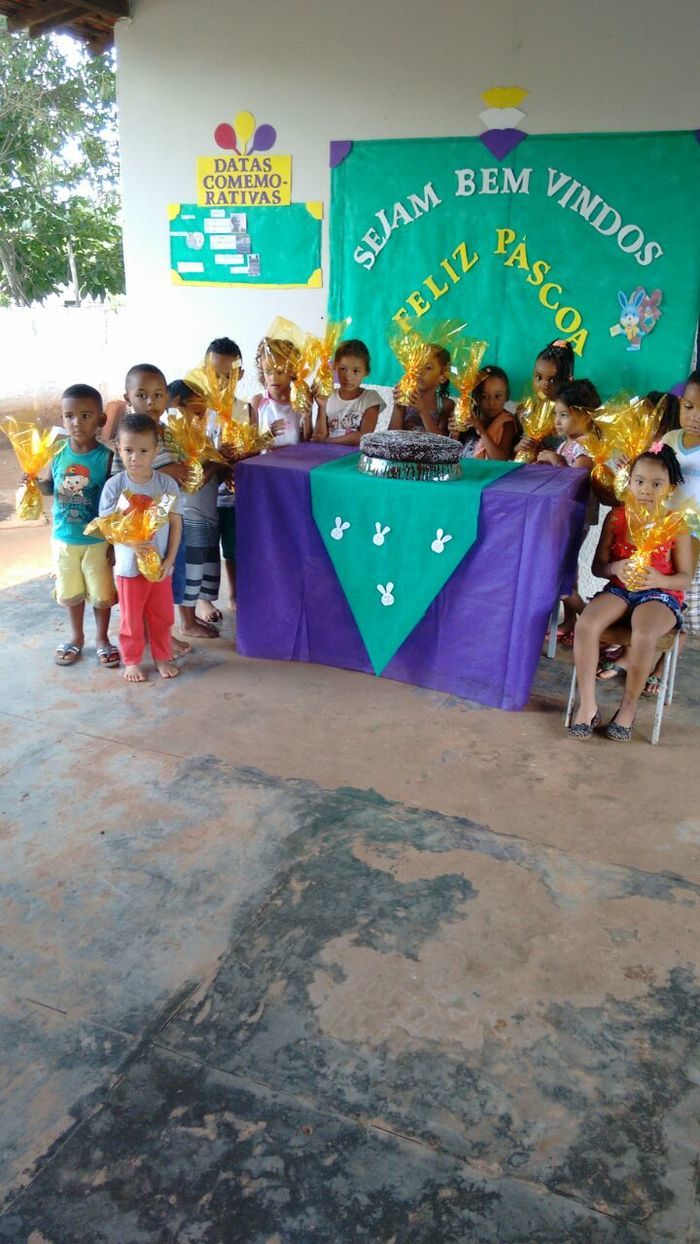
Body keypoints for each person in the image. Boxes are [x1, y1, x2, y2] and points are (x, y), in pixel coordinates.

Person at [568, 445, 691, 740]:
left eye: (656, 484)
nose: (646, 489)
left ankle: (628, 707)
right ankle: (587, 704)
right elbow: (599, 567)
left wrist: (659, 578)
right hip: (620, 589)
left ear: (670, 487)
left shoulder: (676, 524)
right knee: (586, 624)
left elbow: (684, 578)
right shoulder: (618, 518)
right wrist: (616, 568)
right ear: (629, 481)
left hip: (659, 594)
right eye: (639, 481)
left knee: (644, 633)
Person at [100, 414, 183, 683]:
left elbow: (176, 522)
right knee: (131, 619)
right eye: (128, 450)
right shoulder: (116, 486)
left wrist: (170, 558)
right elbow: (106, 526)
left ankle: (161, 656)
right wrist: (131, 542)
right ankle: (132, 660)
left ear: (155, 451)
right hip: (128, 569)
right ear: (118, 449)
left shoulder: (166, 484)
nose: (135, 457)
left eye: (143, 451)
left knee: (162, 616)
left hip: (160, 568)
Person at [42, 384, 118, 667]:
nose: (77, 422)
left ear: (101, 419)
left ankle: (102, 638)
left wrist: (112, 543)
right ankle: (76, 637)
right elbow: (47, 488)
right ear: (62, 419)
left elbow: (113, 505)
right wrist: (33, 476)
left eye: (86, 415)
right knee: (71, 592)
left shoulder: (108, 458)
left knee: (102, 595)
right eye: (69, 416)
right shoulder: (56, 453)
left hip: (97, 541)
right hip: (64, 539)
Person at [119, 363, 193, 651]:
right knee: (139, 587)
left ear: (167, 398)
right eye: (142, 395)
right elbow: (118, 483)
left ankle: (162, 634)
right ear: (128, 399)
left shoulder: (170, 434)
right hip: (140, 533)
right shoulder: (125, 439)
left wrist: (186, 472)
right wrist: (164, 475)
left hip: (169, 527)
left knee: (166, 579)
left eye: (158, 395)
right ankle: (144, 637)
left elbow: (184, 473)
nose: (151, 402)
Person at [161, 379, 229, 636]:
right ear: (177, 407)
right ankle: (187, 622)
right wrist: (217, 462)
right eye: (197, 411)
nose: (202, 417)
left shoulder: (200, 439)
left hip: (207, 512)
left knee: (204, 564)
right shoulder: (176, 441)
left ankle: (195, 615)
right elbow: (191, 482)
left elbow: (213, 479)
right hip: (190, 515)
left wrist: (222, 462)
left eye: (204, 411)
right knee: (189, 568)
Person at [537, 378, 601, 641]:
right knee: (567, 572)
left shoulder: (587, 444)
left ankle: (590, 621)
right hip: (564, 517)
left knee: (560, 577)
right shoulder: (568, 442)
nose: (558, 421)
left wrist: (554, 460)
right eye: (556, 414)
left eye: (564, 415)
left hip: (576, 518)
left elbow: (573, 481)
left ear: (585, 415)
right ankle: (573, 621)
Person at [203, 337, 251, 609]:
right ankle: (205, 599)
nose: (221, 381)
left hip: (234, 495)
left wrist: (239, 454)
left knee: (233, 548)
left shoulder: (245, 410)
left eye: (229, 376)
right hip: (205, 494)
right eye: (215, 374)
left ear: (240, 374)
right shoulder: (197, 410)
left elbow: (252, 452)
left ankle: (233, 593)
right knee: (206, 547)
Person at [662, 369, 700, 636]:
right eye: (689, 406)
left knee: (681, 595)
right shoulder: (669, 440)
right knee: (659, 590)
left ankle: (664, 663)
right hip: (662, 528)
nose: (695, 416)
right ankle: (644, 648)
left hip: (694, 532)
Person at [312, 339, 384, 445]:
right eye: (343, 369)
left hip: (353, 459)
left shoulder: (370, 398)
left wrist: (328, 441)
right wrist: (322, 406)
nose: (348, 377)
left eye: (356, 371)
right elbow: (319, 437)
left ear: (366, 371)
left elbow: (364, 436)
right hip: (328, 457)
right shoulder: (328, 396)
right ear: (335, 367)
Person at [514, 339, 576, 457]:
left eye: (552, 380)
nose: (544, 385)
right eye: (538, 377)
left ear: (568, 381)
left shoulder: (571, 416)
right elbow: (508, 454)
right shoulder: (525, 411)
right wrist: (519, 447)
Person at [448, 365, 516, 460]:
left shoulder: (507, 423)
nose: (492, 403)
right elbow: (451, 454)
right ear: (476, 397)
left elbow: (501, 459)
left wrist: (481, 430)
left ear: (506, 395)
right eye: (485, 397)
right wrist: (454, 435)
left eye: (497, 396)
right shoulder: (468, 417)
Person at [251, 337, 309, 446]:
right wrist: (268, 435)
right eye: (268, 372)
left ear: (292, 371)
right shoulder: (258, 401)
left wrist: (306, 417)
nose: (273, 378)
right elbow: (251, 447)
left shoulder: (299, 401)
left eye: (279, 372)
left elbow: (308, 443)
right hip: (263, 463)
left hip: (295, 461)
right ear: (262, 371)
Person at [390, 346, 454, 435]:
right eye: (416, 366)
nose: (419, 371)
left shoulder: (446, 405)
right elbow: (391, 437)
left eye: (428, 368)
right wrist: (397, 405)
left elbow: (440, 441)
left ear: (442, 377)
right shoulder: (406, 401)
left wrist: (422, 411)